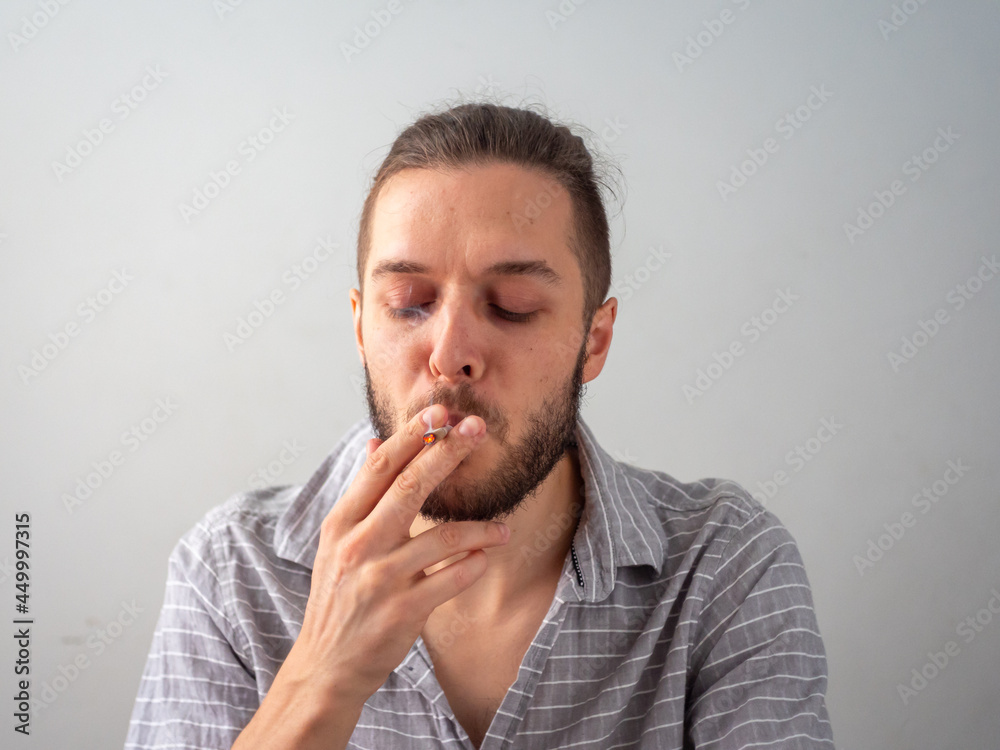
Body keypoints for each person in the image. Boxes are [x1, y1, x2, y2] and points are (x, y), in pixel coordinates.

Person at [125, 101, 835, 749]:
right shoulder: (228, 571)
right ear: (361, 329)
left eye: (514, 305)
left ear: (595, 340)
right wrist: (321, 676)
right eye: (407, 302)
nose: (451, 356)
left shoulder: (725, 562)